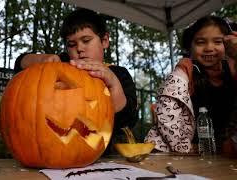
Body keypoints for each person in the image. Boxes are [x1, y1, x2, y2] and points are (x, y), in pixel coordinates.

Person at [14, 9, 138, 155]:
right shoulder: (63, 64)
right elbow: (19, 64)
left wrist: (113, 84)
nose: (79, 49)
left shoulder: (118, 74)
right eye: (72, 44)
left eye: (86, 41)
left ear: (104, 41)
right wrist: (41, 60)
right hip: (52, 151)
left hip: (100, 157)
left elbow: (127, 120)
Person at [145, 16, 237, 155]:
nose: (209, 48)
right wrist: (184, 147)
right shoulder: (185, 71)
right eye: (201, 42)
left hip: (215, 152)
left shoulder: (231, 70)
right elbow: (167, 110)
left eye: (218, 42)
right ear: (190, 47)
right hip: (173, 152)